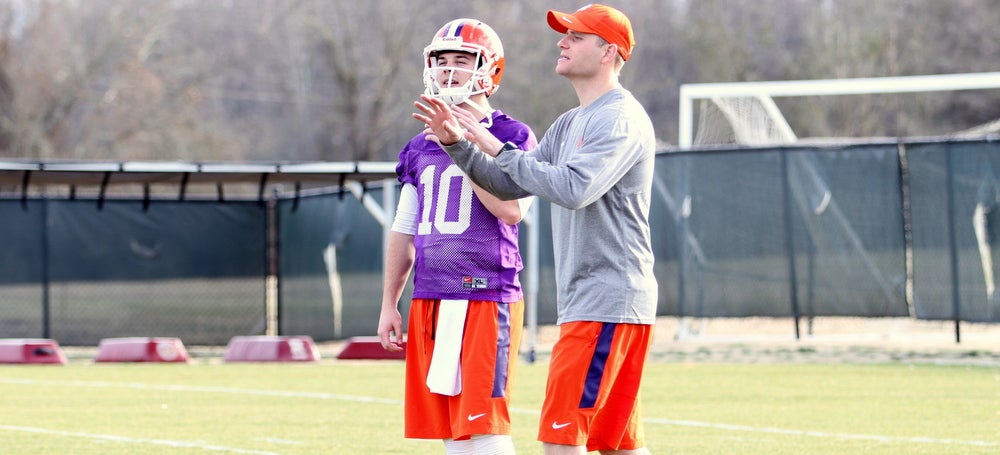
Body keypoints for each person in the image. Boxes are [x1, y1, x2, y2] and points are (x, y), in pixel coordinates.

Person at [413, 4, 657, 454]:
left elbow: (573, 188)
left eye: (576, 37)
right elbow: (510, 183)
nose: (562, 43)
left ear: (609, 52)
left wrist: (491, 143)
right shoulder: (570, 121)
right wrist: (458, 146)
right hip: (598, 301)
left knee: (560, 442)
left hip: (606, 300)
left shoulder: (618, 118)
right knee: (619, 444)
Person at [377, 17, 538, 455]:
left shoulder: (511, 135)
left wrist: (461, 145)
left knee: (485, 426)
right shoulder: (417, 145)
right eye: (441, 60)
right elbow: (404, 229)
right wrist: (390, 302)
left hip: (486, 293)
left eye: (462, 60)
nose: (449, 70)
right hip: (431, 295)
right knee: (452, 431)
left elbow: (510, 210)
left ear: (489, 69)